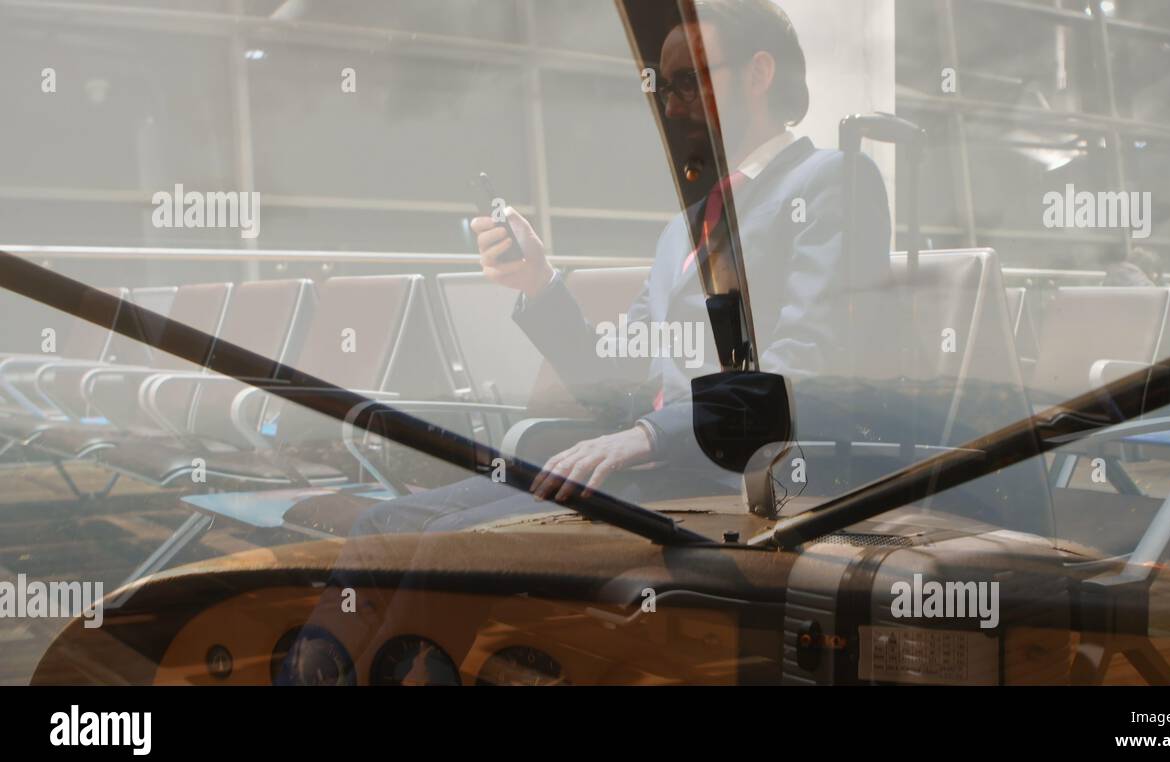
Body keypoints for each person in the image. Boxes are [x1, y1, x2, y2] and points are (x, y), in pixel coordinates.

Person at [345, 0, 891, 536]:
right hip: (650, 467)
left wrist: (649, 435)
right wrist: (538, 282)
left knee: (437, 541)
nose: (671, 108)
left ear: (758, 72)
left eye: (686, 83)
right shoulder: (685, 224)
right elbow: (615, 371)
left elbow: (806, 364)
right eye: (662, 87)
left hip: (727, 474)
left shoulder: (831, 181)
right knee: (388, 524)